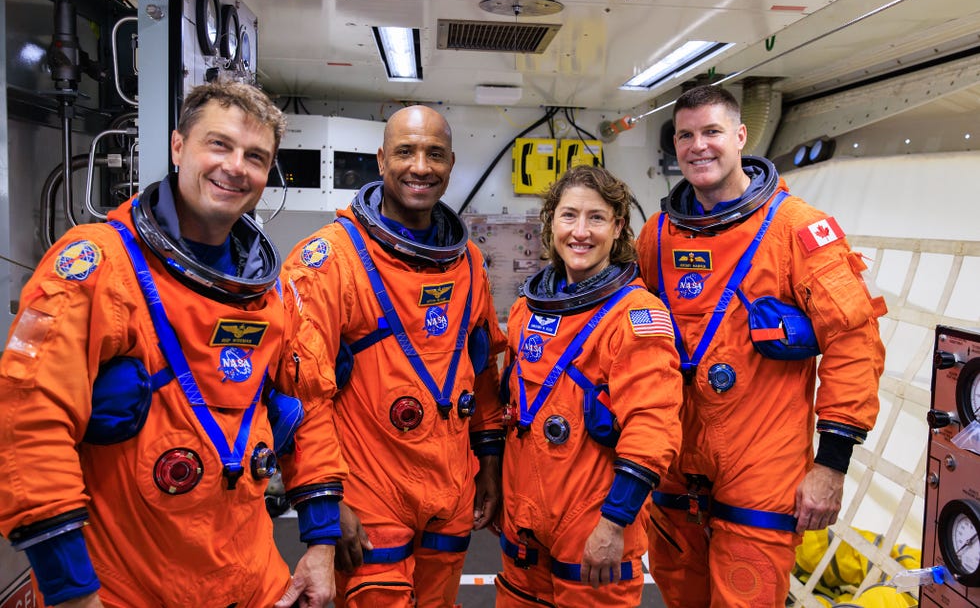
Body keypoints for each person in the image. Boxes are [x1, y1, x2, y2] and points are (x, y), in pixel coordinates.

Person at [0, 81, 345, 608]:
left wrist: (321, 543)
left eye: (255, 156)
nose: (236, 167)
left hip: (250, 578)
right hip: (126, 587)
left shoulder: (272, 292)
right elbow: (29, 422)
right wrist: (71, 591)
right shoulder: (99, 268)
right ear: (178, 146)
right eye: (219, 144)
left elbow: (309, 409)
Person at [636, 84, 887, 607]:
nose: (698, 146)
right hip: (675, 462)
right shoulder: (657, 236)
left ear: (740, 136)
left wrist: (831, 465)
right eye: (685, 135)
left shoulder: (798, 229)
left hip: (762, 463)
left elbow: (854, 341)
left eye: (712, 132)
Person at [281, 104, 506, 607]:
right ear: (381, 160)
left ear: (451, 164)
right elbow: (302, 396)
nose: (420, 167)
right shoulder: (330, 261)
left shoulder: (468, 263)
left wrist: (490, 465)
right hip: (369, 494)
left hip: (450, 491)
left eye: (435, 154)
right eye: (406, 152)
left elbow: (482, 373)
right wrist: (325, 503)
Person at [495, 165, 684, 607]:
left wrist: (614, 522)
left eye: (596, 218)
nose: (580, 232)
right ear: (551, 222)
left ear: (618, 227)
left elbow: (653, 428)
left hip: (593, 528)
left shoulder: (636, 315)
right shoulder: (526, 309)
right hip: (524, 526)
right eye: (569, 216)